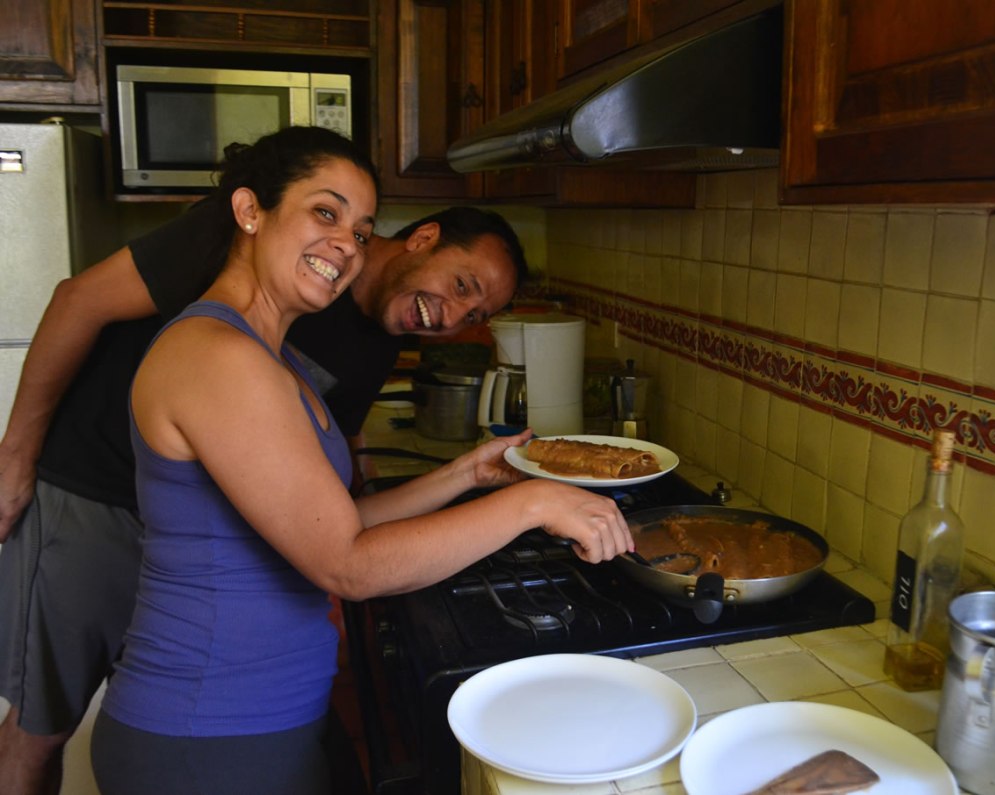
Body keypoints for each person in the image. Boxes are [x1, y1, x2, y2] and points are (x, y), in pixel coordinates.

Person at [80, 124, 630, 795]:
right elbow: (348, 564)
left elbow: (335, 522)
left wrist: (468, 473)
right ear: (250, 211)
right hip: (207, 734)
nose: (346, 244)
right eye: (325, 213)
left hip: (257, 717)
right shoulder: (218, 357)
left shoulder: (269, 356)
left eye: (362, 231)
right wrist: (534, 501)